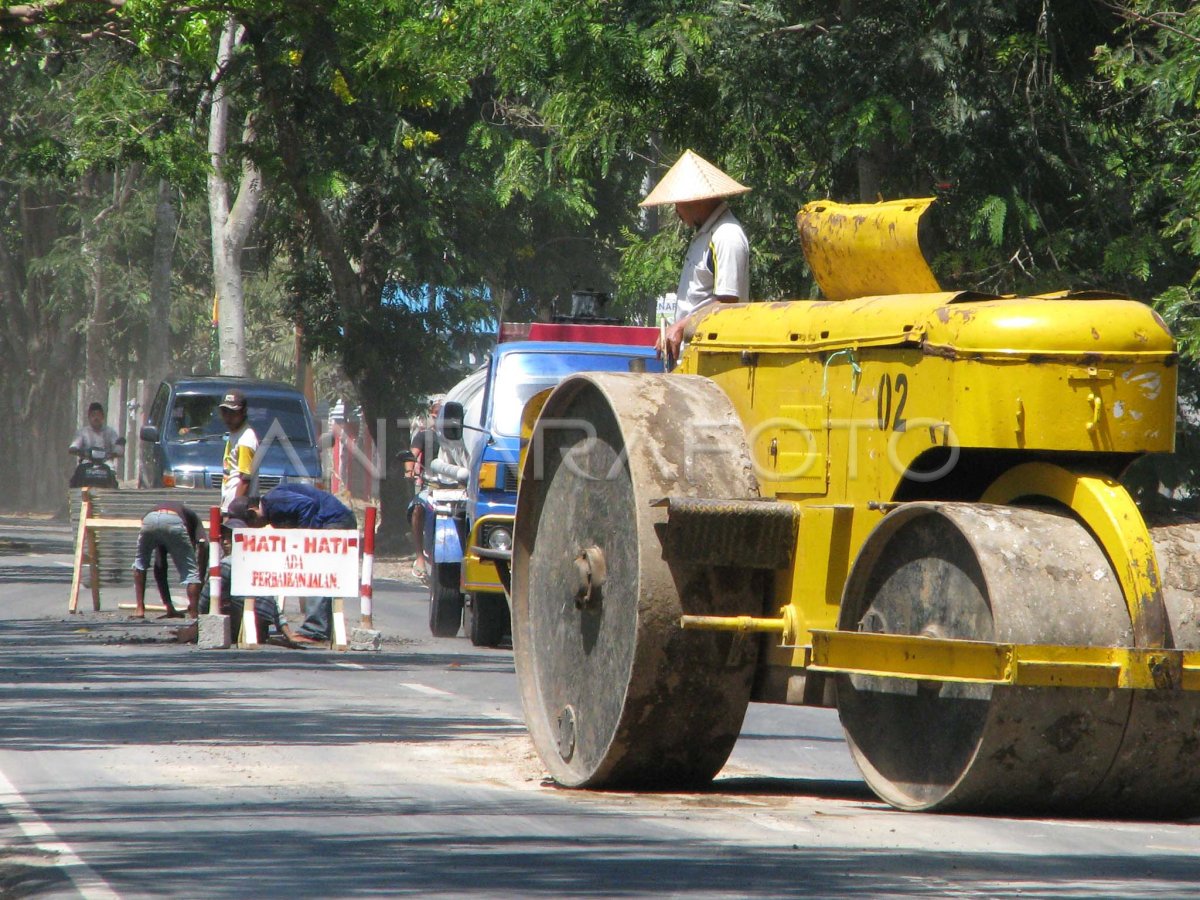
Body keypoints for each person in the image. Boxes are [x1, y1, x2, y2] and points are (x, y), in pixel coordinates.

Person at [639, 149, 751, 364]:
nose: (676, 211)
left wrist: (680, 326)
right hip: (693, 356)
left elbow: (728, 303)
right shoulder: (706, 235)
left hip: (714, 360)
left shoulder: (726, 235)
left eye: (677, 204)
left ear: (695, 200)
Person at [229, 485, 357, 644]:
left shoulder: (273, 501)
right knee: (321, 575)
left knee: (316, 572)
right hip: (332, 521)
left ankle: (314, 630)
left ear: (253, 512)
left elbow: (308, 505)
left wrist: (304, 538)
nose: (255, 528)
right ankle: (323, 629)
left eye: (251, 524)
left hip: (334, 521)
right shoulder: (273, 511)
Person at [174, 518, 298, 647]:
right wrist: (286, 630)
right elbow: (273, 601)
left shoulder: (226, 564)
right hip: (261, 627)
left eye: (231, 538)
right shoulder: (259, 561)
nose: (226, 542)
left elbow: (206, 599)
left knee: (197, 629)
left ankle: (187, 634)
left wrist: (201, 623)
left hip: (242, 621)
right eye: (224, 538)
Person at [131, 502, 205, 619]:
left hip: (149, 519)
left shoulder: (180, 513)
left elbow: (160, 567)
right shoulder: (194, 519)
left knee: (140, 564)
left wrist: (169, 607)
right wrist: (200, 576)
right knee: (191, 573)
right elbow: (204, 545)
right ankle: (194, 613)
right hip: (172, 521)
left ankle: (140, 608)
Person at [405, 397, 443, 580]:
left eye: (442, 415)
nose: (438, 419)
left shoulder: (458, 437)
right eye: (436, 415)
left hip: (456, 487)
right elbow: (411, 456)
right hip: (431, 485)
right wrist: (410, 470)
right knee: (418, 509)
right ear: (431, 416)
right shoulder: (424, 436)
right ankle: (420, 557)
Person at [219, 389, 257, 513]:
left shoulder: (246, 439)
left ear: (243, 412)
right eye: (225, 412)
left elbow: (245, 480)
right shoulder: (235, 434)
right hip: (230, 504)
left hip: (240, 509)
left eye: (233, 413)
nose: (228, 417)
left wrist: (235, 511)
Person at [69, 402, 124, 487]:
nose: (96, 418)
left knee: (112, 478)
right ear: (89, 417)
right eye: (93, 415)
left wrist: (116, 452)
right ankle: (76, 498)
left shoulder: (110, 432)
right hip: (86, 463)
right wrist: (75, 449)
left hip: (106, 463)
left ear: (103, 417)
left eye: (98, 415)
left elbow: (117, 446)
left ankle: (112, 498)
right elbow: (75, 444)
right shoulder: (83, 432)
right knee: (76, 478)